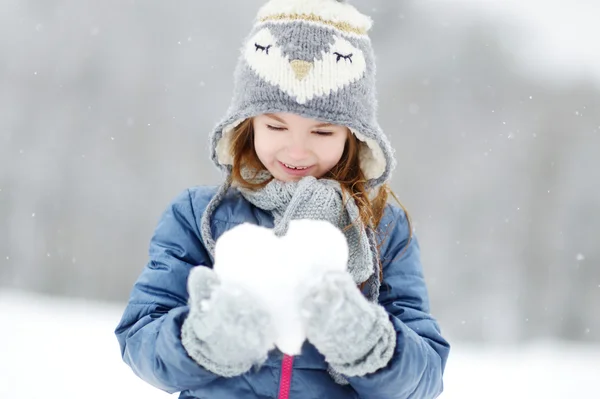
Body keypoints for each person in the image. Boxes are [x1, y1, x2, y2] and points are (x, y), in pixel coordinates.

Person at [115, 0, 450, 398]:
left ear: (352, 138)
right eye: (276, 126)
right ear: (247, 124)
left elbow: (425, 381)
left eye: (322, 133)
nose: (296, 151)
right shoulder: (198, 216)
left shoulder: (384, 230)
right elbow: (140, 338)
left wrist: (368, 345)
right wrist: (202, 341)